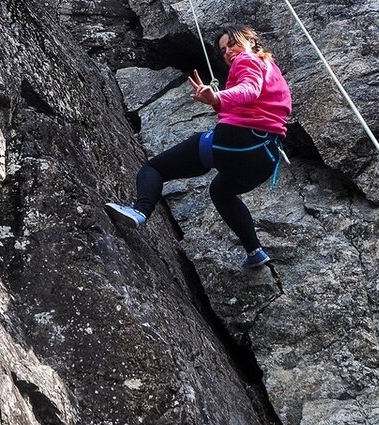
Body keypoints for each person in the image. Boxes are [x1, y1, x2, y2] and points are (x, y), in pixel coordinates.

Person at [105, 26, 293, 268]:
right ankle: (254, 251)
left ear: (250, 42)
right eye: (224, 50)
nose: (228, 52)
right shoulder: (272, 70)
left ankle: (139, 211)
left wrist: (217, 98)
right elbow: (254, 101)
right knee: (221, 192)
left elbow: (249, 89)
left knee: (155, 169)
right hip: (264, 157)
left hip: (239, 143)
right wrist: (218, 102)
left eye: (232, 44)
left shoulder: (247, 59)